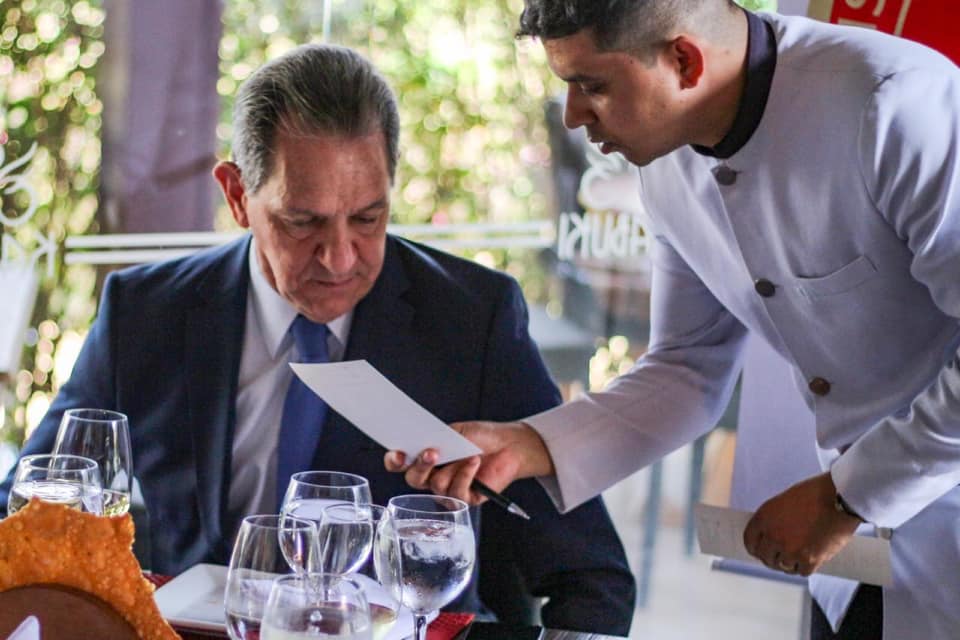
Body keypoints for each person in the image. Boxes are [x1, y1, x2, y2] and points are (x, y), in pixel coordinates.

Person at [0, 44, 636, 634]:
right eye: (302, 222)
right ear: (237, 196)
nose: (339, 258)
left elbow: (592, 577)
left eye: (368, 218)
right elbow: (26, 517)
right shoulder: (147, 313)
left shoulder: (472, 321)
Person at [389, 2, 960, 639]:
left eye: (592, 85)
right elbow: (688, 368)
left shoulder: (893, 103)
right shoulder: (663, 156)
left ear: (684, 61)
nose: (573, 115)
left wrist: (844, 496)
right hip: (855, 564)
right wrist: (530, 444)